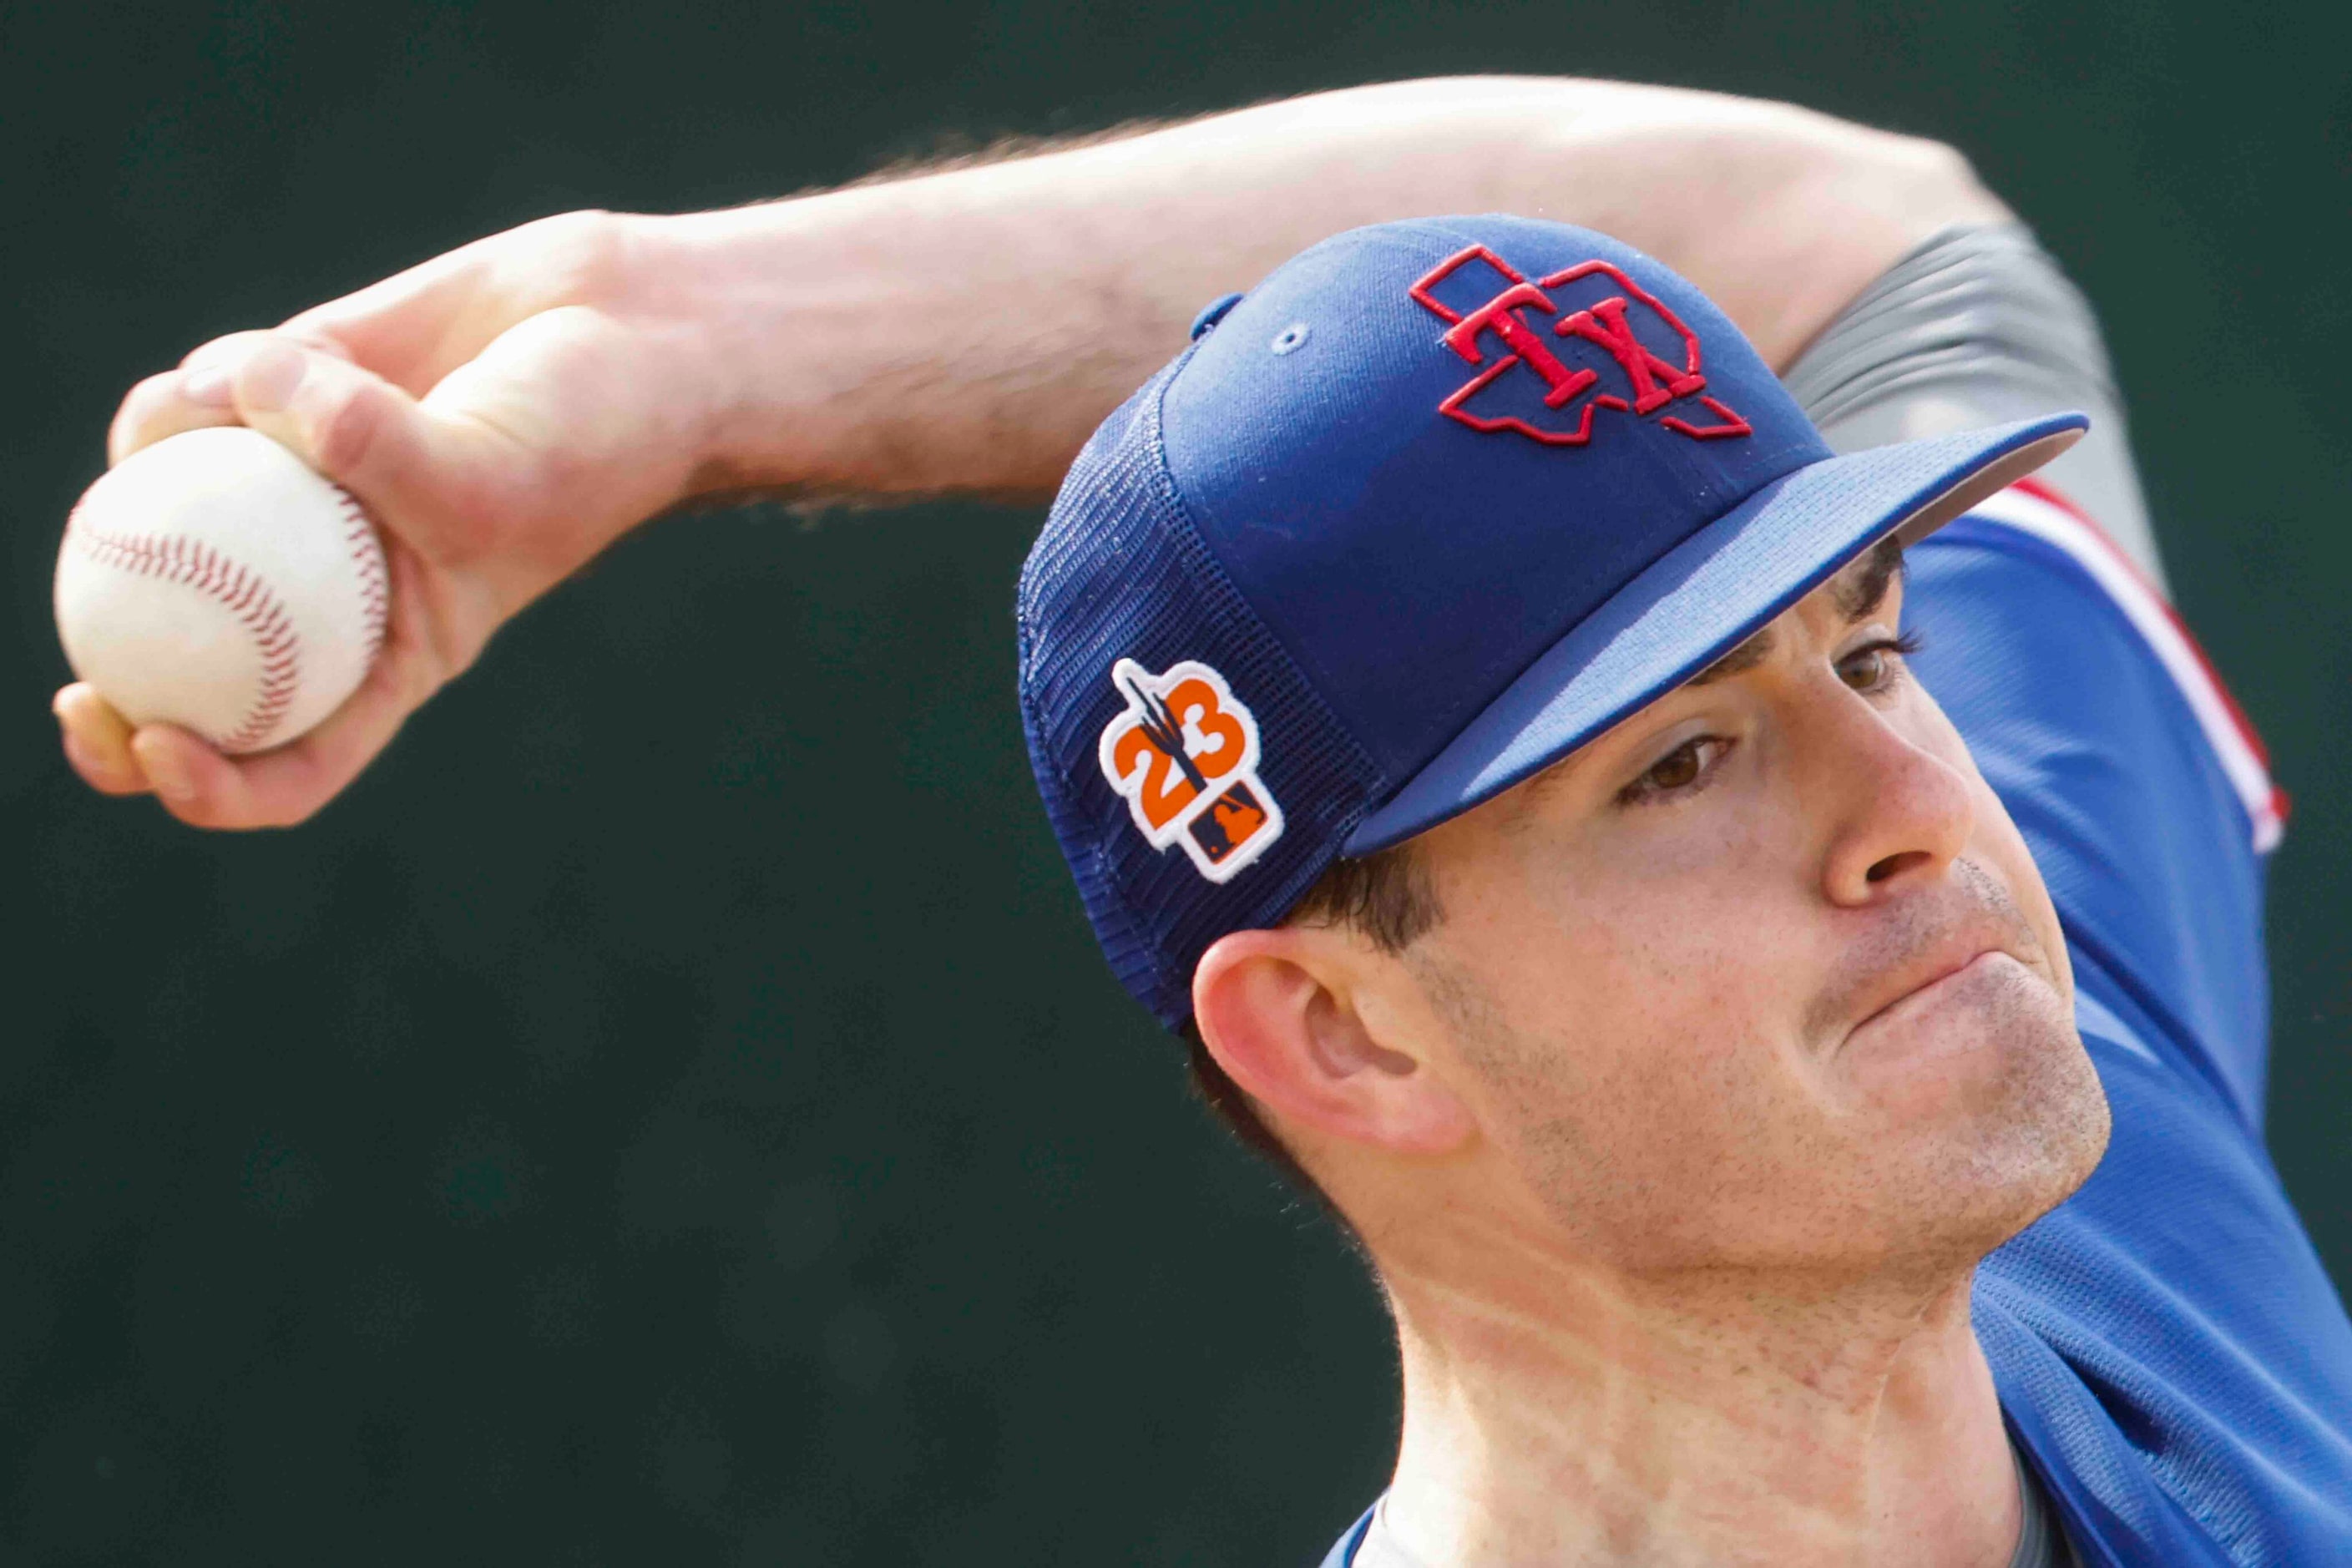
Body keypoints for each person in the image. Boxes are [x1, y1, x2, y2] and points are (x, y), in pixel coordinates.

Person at [51, 77, 2350, 1565]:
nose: (1901, 814)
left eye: (1863, 644)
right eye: (1675, 764)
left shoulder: (2067, 1114)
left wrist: (668, 341)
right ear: (1343, 1039)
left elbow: (1866, 243)